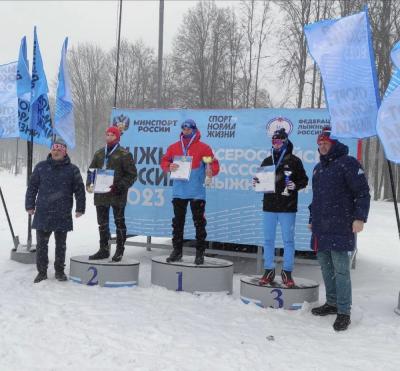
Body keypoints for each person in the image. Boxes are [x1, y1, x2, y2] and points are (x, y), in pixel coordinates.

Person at [309, 126, 370, 331]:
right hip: (321, 228)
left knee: (341, 270)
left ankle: (344, 311)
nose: (322, 145)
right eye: (319, 142)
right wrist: (312, 218)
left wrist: (359, 218)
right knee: (326, 268)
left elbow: (362, 192)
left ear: (334, 142)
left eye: (325, 141)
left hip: (340, 226)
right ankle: (332, 303)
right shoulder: (318, 169)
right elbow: (315, 199)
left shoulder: (348, 163)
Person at [25, 139, 86, 283]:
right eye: (54, 149)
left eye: (59, 149)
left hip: (62, 212)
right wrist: (29, 205)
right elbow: (32, 187)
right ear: (50, 150)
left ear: (65, 152)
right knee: (41, 245)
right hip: (43, 212)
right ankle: (42, 272)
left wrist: (80, 208)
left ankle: (59, 271)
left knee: (61, 245)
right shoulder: (41, 167)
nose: (56, 151)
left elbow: (80, 190)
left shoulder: (73, 169)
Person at [160, 119, 219, 265]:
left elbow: (211, 164)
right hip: (179, 191)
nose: (186, 130)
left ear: (194, 129)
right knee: (178, 223)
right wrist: (169, 166)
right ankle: (177, 251)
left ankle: (200, 253)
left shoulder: (203, 148)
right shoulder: (174, 147)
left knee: (199, 223)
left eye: (189, 128)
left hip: (197, 192)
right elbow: (164, 162)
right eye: (183, 128)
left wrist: (210, 170)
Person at [255, 128, 308, 287]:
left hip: (287, 206)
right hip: (269, 206)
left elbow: (304, 180)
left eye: (278, 141)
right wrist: (257, 183)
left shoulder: (294, 161)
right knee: (268, 240)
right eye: (273, 141)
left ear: (285, 141)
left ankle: (287, 271)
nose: (275, 144)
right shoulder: (267, 160)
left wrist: (295, 185)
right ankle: (268, 270)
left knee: (288, 241)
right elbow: (261, 181)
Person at [87, 126, 137, 262]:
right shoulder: (99, 153)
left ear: (117, 137)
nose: (108, 137)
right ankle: (104, 249)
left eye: (112, 135)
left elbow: (132, 175)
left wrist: (119, 186)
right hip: (101, 194)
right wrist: (89, 183)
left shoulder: (124, 154)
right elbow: (91, 170)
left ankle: (120, 250)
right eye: (107, 134)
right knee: (102, 223)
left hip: (117, 195)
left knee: (119, 222)